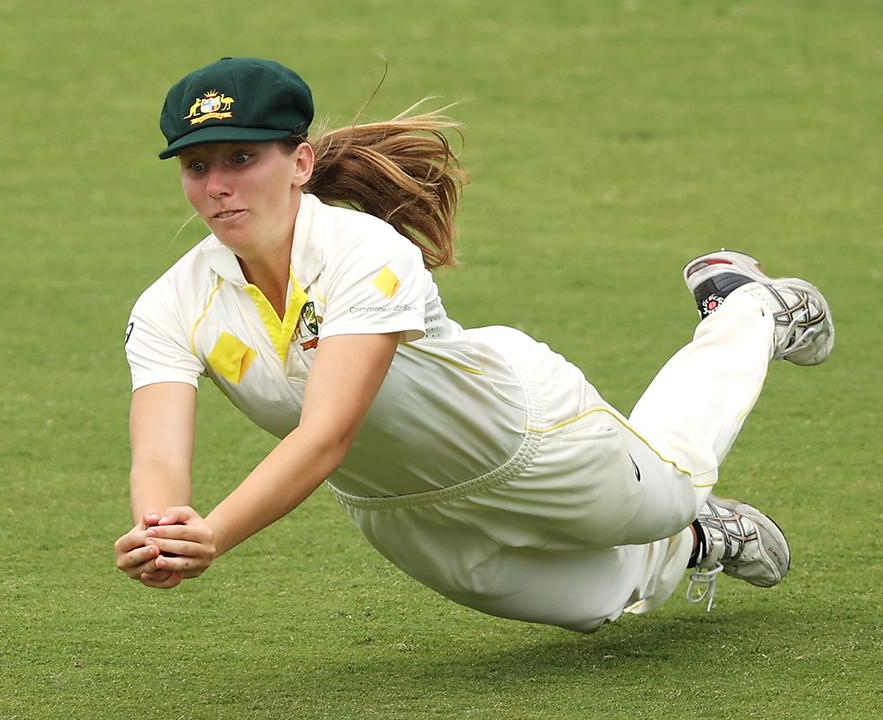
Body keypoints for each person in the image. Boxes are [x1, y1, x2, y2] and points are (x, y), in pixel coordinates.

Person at [112, 57, 835, 633]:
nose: (217, 186)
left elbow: (327, 433)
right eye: (197, 166)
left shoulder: (363, 251)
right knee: (589, 605)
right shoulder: (170, 303)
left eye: (241, 158)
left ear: (299, 163)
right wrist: (161, 530)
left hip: (526, 437)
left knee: (670, 493)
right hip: (397, 506)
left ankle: (745, 310)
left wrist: (217, 534)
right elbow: (158, 452)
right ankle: (702, 542)